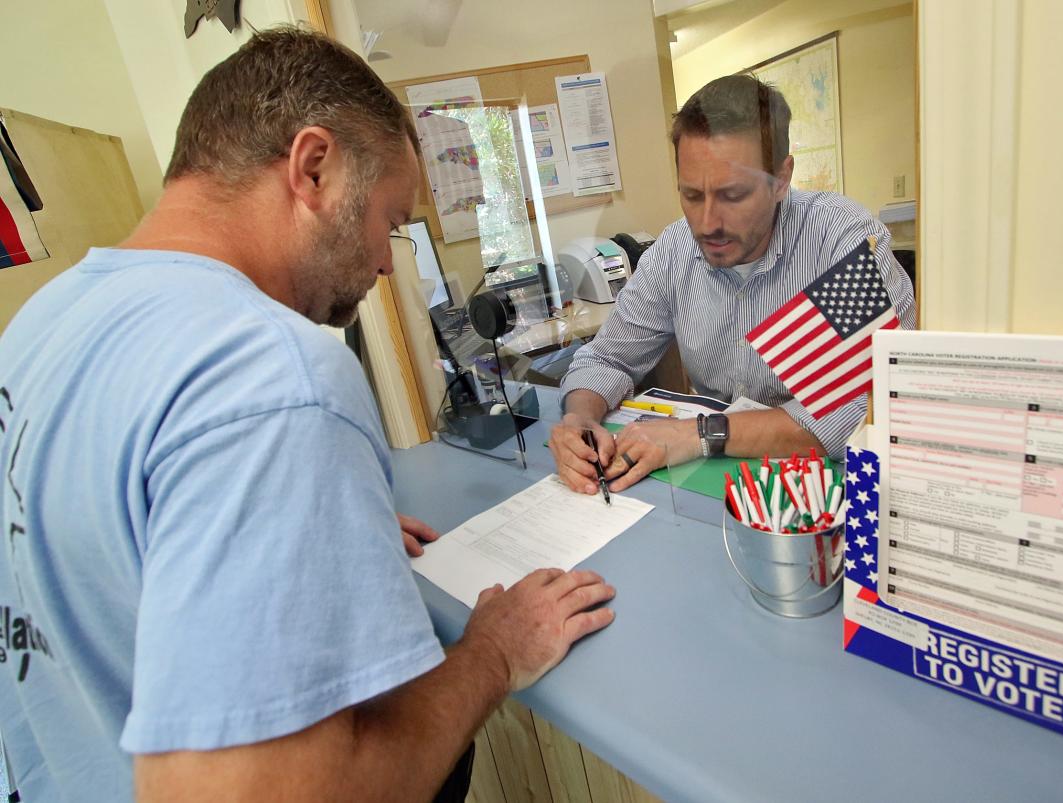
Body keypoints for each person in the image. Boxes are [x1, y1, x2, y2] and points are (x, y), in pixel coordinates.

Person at [0, 27, 614, 803]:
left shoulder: (45, 320)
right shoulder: (271, 374)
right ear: (313, 167)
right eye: (389, 222)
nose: (389, 261)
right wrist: (492, 652)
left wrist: (296, 531)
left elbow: (99, 548)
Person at [550, 74, 915, 496]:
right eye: (691, 195)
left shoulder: (841, 241)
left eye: (733, 195)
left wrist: (702, 433)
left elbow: (873, 402)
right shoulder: (673, 251)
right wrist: (579, 417)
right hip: (715, 489)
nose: (707, 224)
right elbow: (606, 360)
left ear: (781, 179)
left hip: (824, 490)